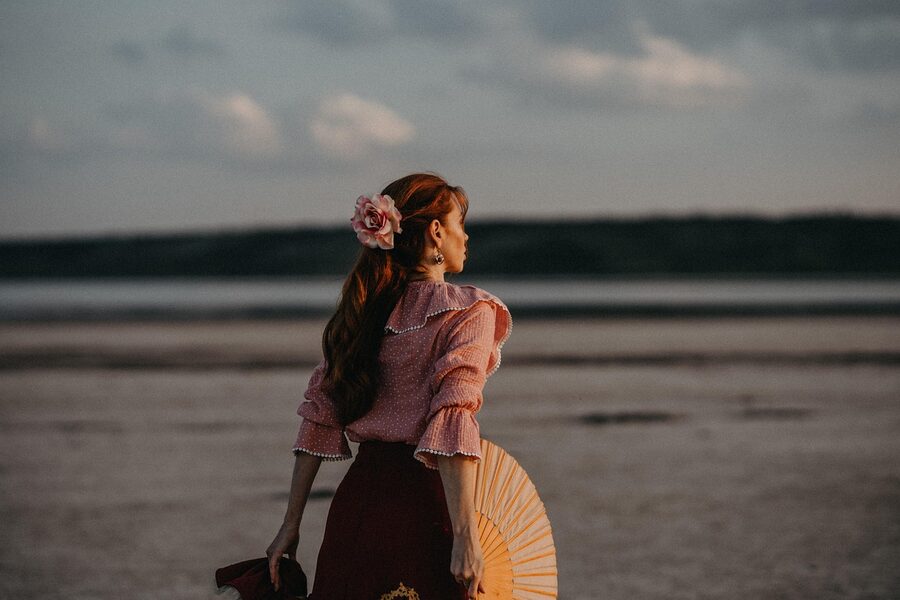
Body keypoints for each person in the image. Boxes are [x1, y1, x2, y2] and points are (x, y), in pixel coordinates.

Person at [265, 173, 512, 600]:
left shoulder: (361, 311)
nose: (466, 236)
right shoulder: (471, 311)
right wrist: (466, 536)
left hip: (357, 508)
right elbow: (452, 422)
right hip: (428, 509)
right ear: (436, 232)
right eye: (460, 224)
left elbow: (319, 415)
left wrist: (291, 524)